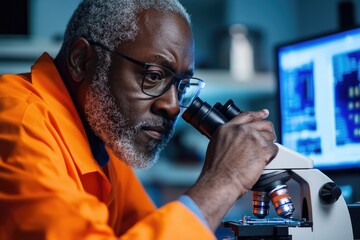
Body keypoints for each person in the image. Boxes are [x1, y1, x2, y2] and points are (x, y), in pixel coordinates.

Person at [0, 0, 278, 239]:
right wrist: (224, 180)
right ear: (82, 60)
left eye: (180, 86)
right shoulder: (18, 122)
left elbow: (143, 227)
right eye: (154, 76)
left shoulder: (99, 137)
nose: (172, 106)